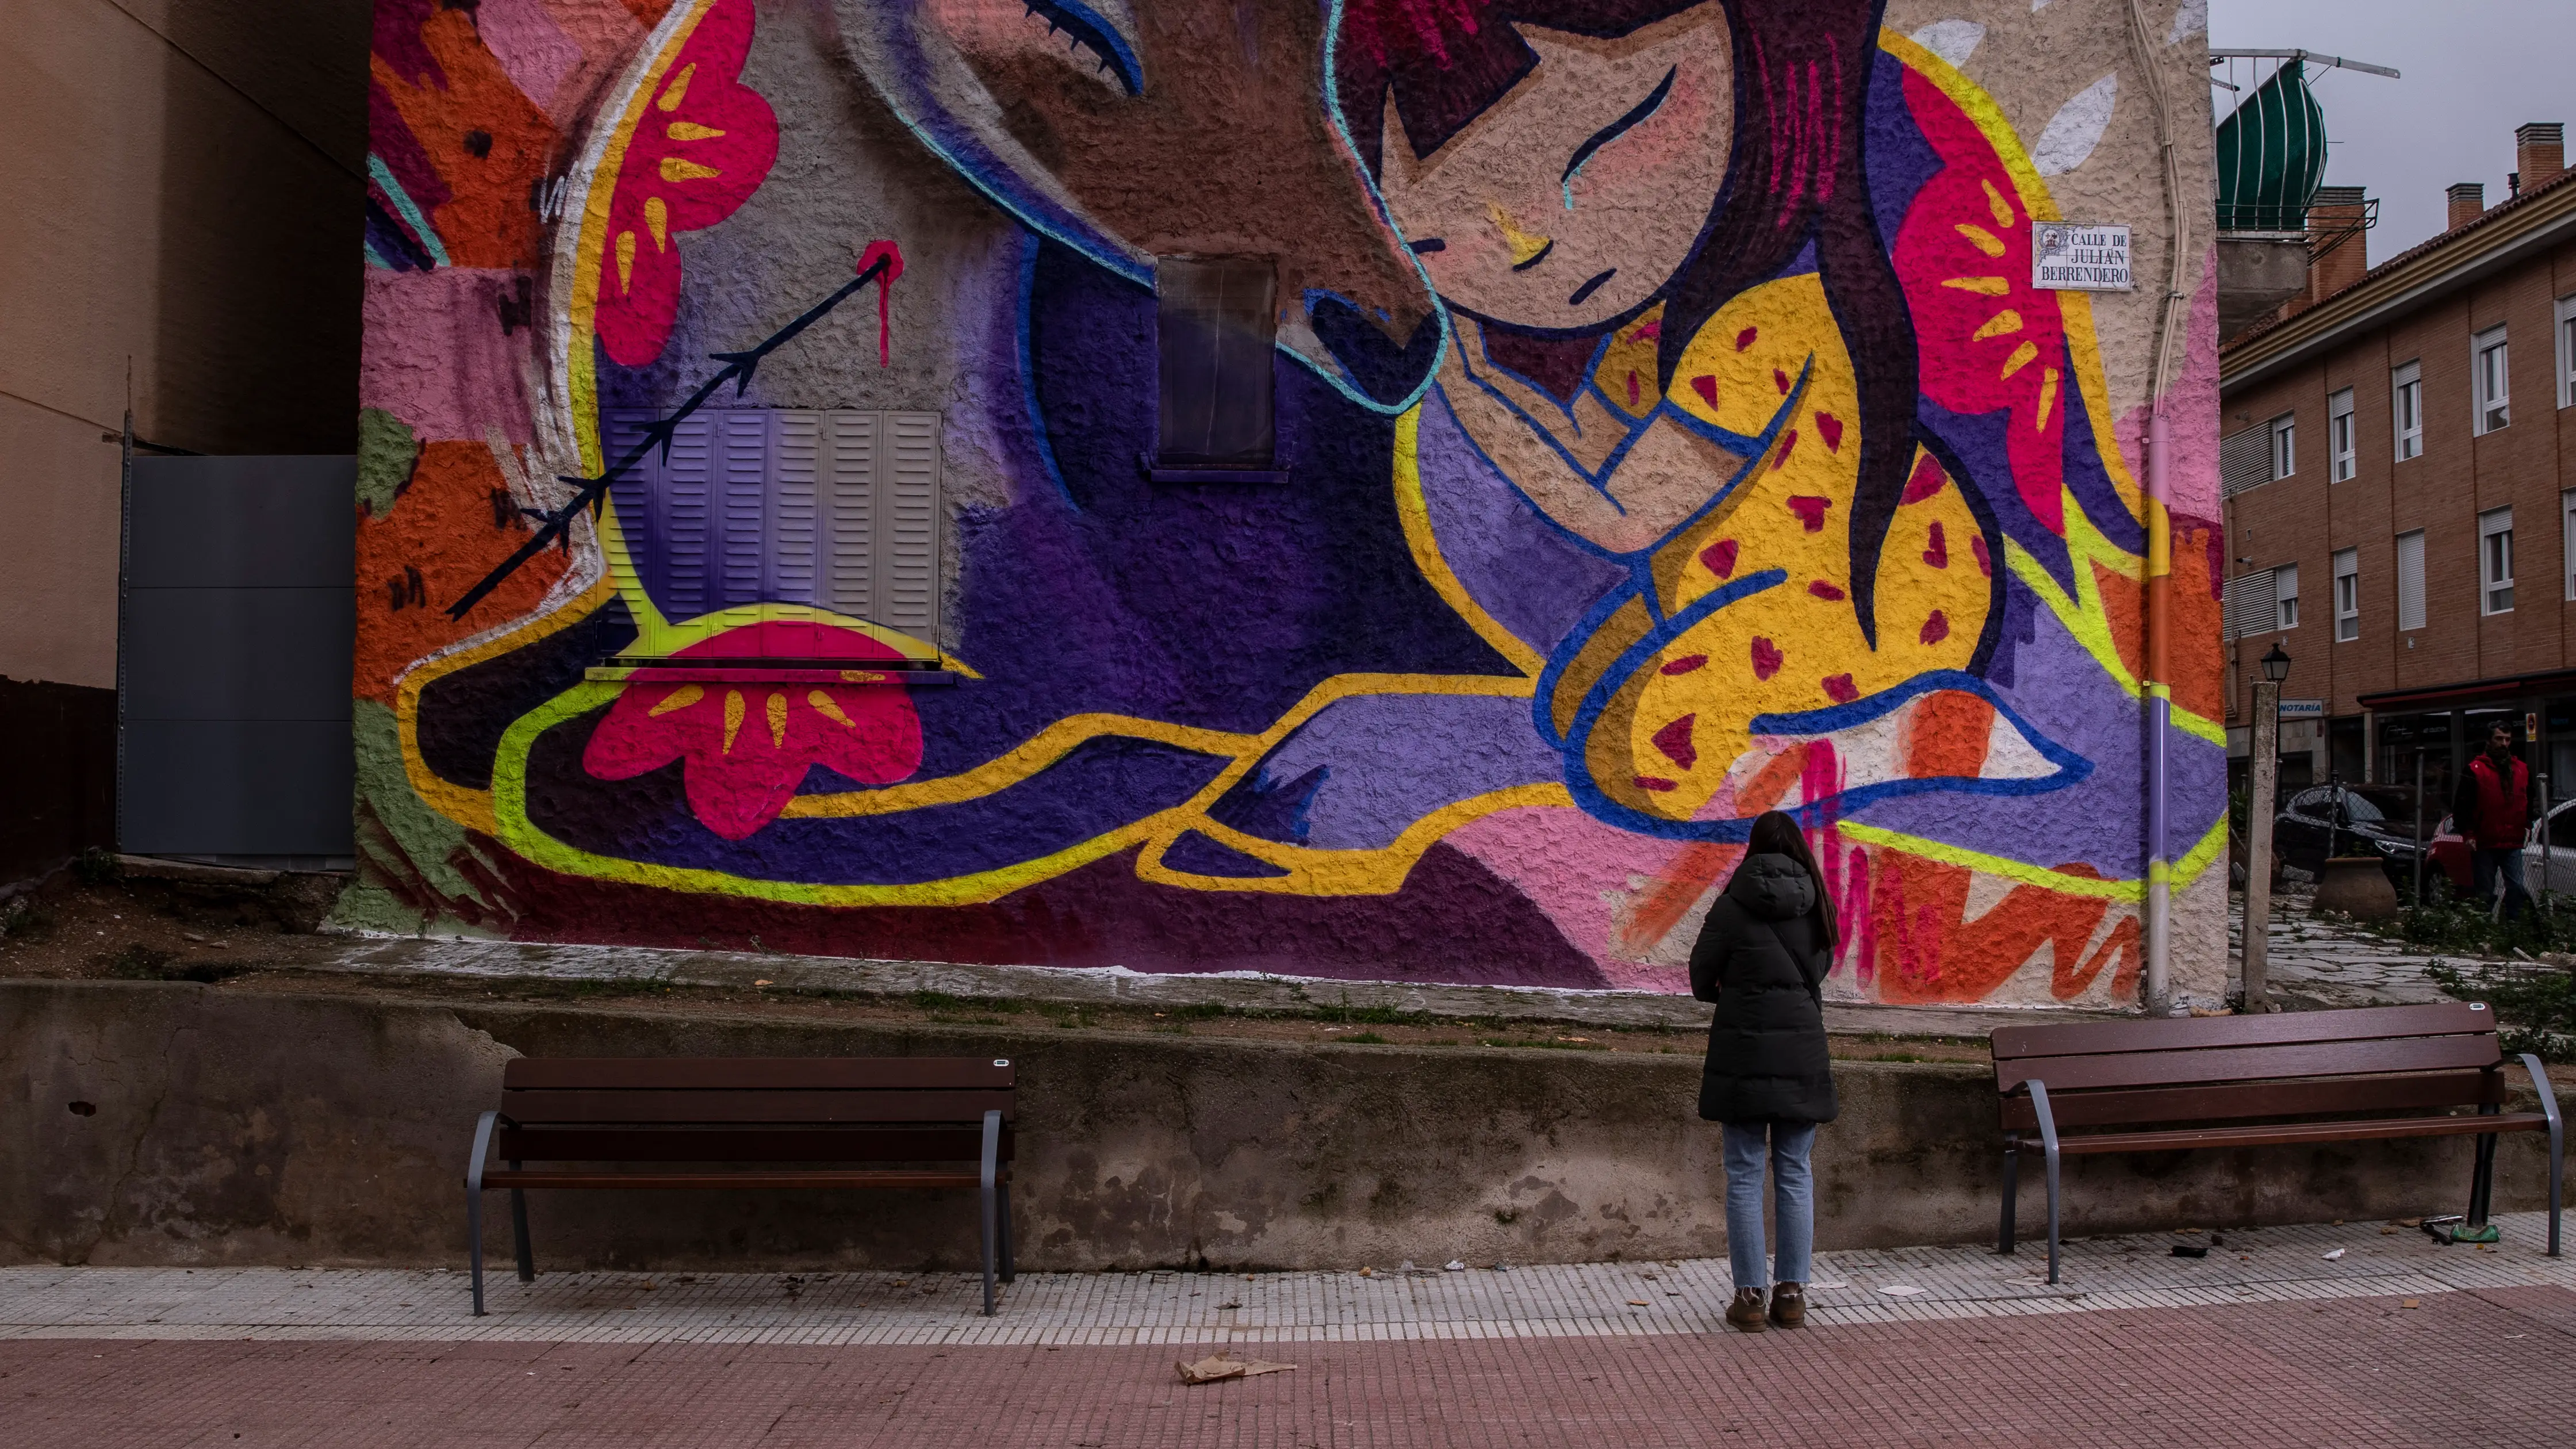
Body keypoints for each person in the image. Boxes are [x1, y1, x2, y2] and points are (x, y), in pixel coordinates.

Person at [1689, 810, 1839, 1331]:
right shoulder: (1818, 904)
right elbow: (1818, 971)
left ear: (1753, 850)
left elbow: (1700, 977)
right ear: (1798, 850)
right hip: (1801, 1049)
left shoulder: (1732, 906)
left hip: (1743, 1050)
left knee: (1745, 1174)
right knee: (1796, 1171)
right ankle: (1793, 1294)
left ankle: (1750, 1298)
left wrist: (1734, 993)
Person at [2451, 724, 2536, 920]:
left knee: (2517, 887)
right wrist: (2468, 834)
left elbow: (2529, 800)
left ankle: (2512, 928)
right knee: (2485, 891)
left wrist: (2527, 825)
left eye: (2507, 739)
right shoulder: (2475, 770)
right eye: (2499, 739)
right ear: (2489, 741)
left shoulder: (2521, 770)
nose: (2503, 743)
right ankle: (2484, 929)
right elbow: (2463, 806)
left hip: (2512, 839)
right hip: (2485, 841)